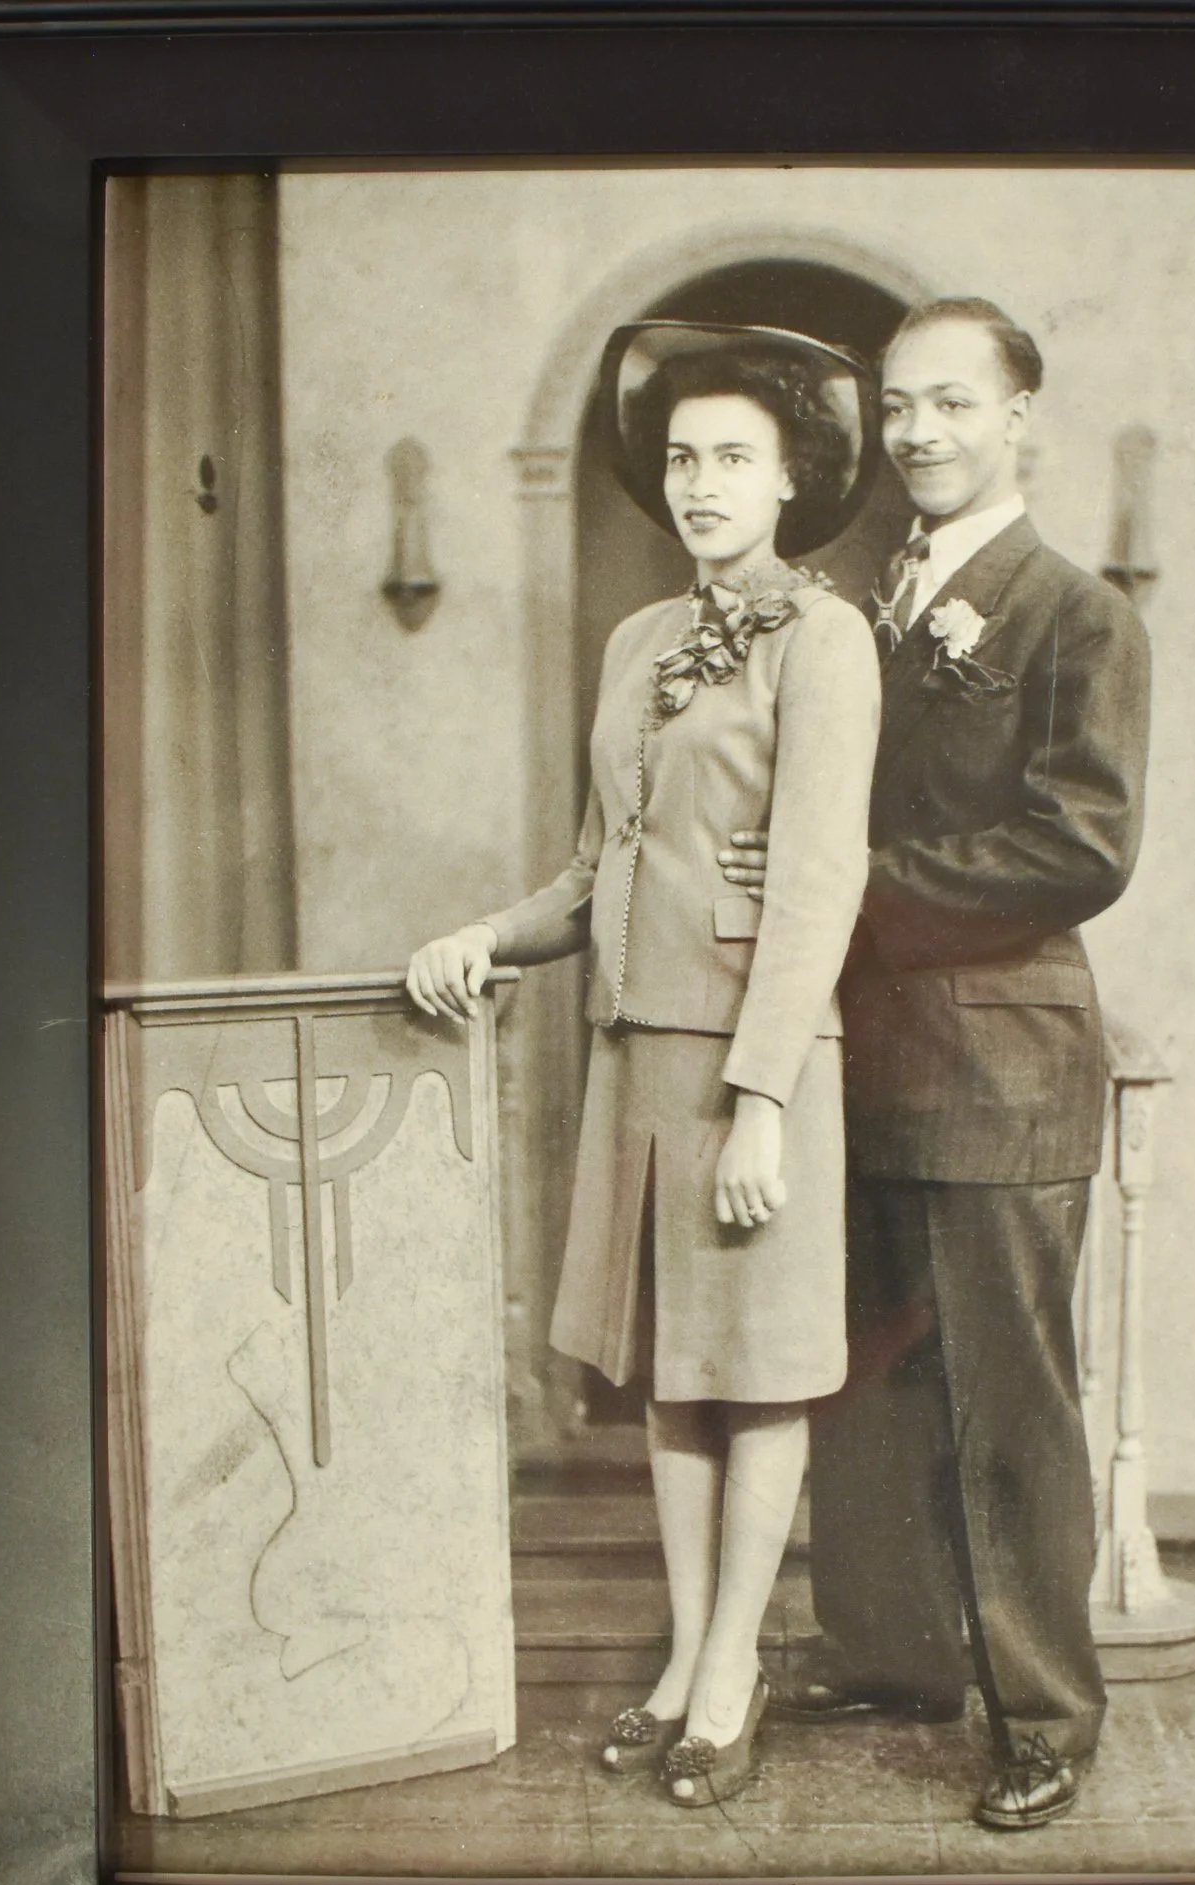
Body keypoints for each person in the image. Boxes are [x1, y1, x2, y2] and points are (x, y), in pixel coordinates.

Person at [408, 322, 881, 1807]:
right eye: (682, 456)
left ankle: (735, 1667)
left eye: (733, 456)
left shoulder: (828, 639)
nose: (700, 482)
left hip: (757, 1063)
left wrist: (759, 1107)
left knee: (761, 1380)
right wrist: (481, 936)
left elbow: (815, 882)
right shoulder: (634, 642)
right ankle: (686, 1656)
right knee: (677, 1380)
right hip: (634, 1057)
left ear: (791, 478)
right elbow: (596, 864)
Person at [721, 297, 1150, 1830]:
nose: (917, 434)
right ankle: (890, 1653)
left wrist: (847, 895)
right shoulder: (857, 603)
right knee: (871, 1383)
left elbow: (1078, 845)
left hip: (999, 1065)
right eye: (899, 407)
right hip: (864, 1058)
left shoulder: (1073, 612)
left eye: (952, 405)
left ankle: (1044, 1710)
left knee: (1008, 1403)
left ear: (1021, 414)